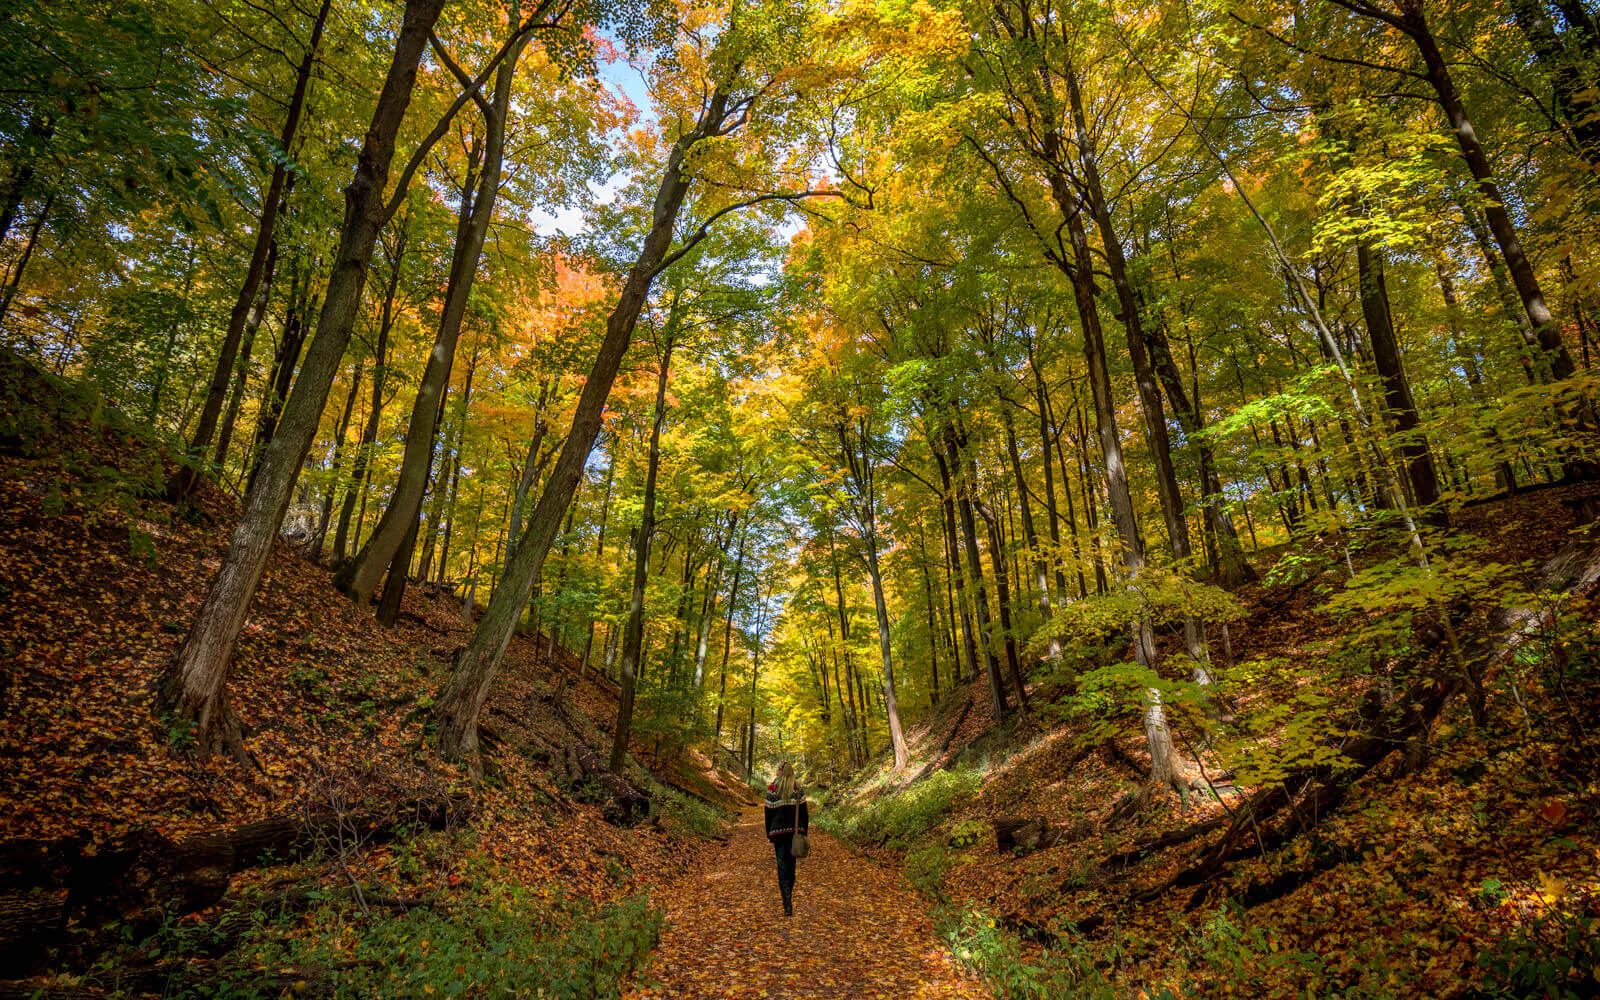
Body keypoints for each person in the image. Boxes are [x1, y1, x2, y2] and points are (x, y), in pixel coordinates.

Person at [763, 760, 809, 917]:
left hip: (778, 835)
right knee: (791, 867)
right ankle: (789, 897)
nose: (776, 771)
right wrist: (804, 832)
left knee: (782, 866)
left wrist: (769, 832)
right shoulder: (798, 789)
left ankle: (787, 903)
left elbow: (768, 813)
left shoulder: (772, 789)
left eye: (777, 769)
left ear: (781, 771)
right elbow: (804, 813)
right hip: (794, 834)